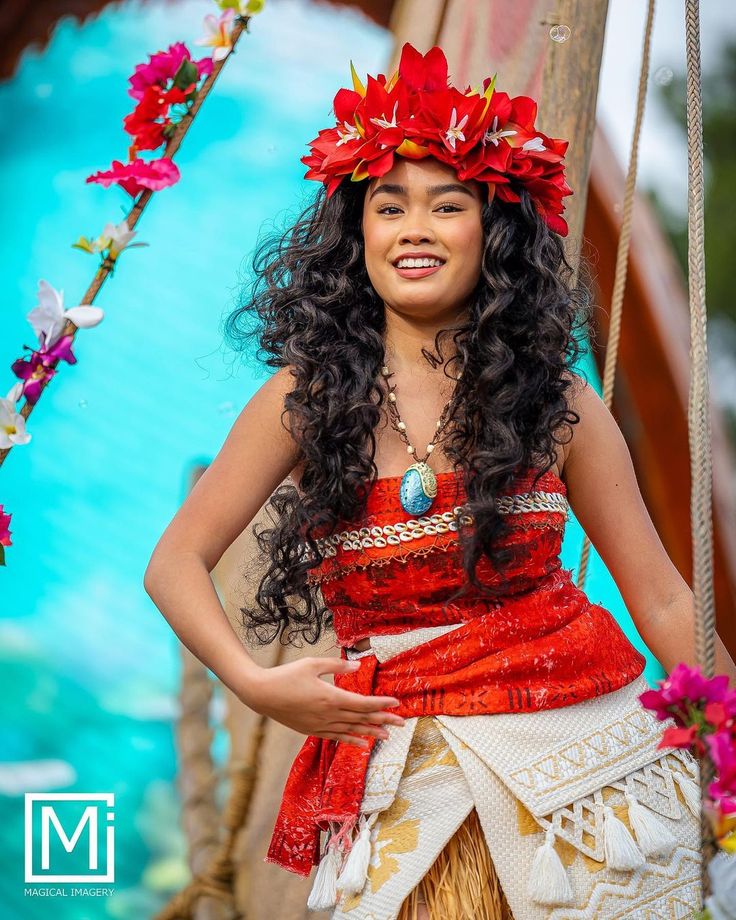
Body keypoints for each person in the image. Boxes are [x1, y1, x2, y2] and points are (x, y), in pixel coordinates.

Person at [144, 42, 736, 919]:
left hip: (584, 769)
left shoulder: (561, 401)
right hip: (401, 782)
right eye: (389, 206)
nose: (413, 227)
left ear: (493, 234)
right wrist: (254, 683)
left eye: (447, 205)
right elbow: (173, 564)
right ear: (358, 235)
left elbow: (659, 601)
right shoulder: (303, 402)